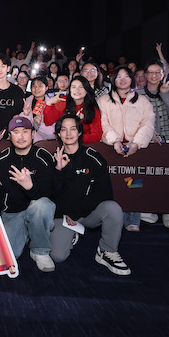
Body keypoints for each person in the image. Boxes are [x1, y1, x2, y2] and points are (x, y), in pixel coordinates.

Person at [49, 114, 131, 276]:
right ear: (58, 133)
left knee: (112, 208)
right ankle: (71, 234)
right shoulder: (52, 159)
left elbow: (104, 193)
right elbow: (49, 195)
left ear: (79, 132)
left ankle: (107, 251)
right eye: (64, 129)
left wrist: (77, 212)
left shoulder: (93, 158)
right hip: (63, 216)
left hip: (85, 213)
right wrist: (58, 171)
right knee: (57, 256)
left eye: (73, 129)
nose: (68, 133)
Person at [0, 116, 57, 272]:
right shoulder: (2, 159)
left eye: (25, 131)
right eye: (16, 132)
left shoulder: (44, 157)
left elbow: (51, 191)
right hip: (12, 213)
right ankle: (27, 230)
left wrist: (30, 187)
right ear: (9, 136)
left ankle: (39, 250)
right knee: (9, 255)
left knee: (42, 205)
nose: (21, 136)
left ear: (32, 134)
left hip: (36, 208)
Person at [97, 66, 155, 232]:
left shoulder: (142, 101)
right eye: (118, 76)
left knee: (133, 183)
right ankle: (110, 220)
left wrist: (136, 143)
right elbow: (103, 123)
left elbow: (148, 123)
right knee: (112, 183)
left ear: (132, 79)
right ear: (113, 79)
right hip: (110, 147)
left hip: (134, 149)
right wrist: (115, 141)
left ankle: (132, 219)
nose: (122, 80)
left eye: (126, 76)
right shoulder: (104, 100)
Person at [136, 61, 169, 230]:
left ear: (164, 74)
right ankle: (146, 216)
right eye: (150, 72)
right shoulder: (137, 94)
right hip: (148, 141)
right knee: (146, 178)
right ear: (145, 74)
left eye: (158, 72)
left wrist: (165, 94)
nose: (154, 75)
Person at [43, 76, 102, 143]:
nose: (77, 90)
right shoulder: (63, 101)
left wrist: (75, 138)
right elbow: (48, 122)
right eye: (73, 87)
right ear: (70, 90)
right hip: (65, 141)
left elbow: (97, 134)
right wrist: (49, 103)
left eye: (81, 87)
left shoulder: (91, 107)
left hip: (84, 142)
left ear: (86, 90)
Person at [19, 76, 56, 142]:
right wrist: (25, 114)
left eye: (40, 86)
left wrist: (39, 126)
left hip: (43, 142)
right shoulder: (26, 102)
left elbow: (54, 133)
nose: (36, 89)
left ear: (46, 88)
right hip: (26, 141)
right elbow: (21, 125)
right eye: (34, 86)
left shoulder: (52, 104)